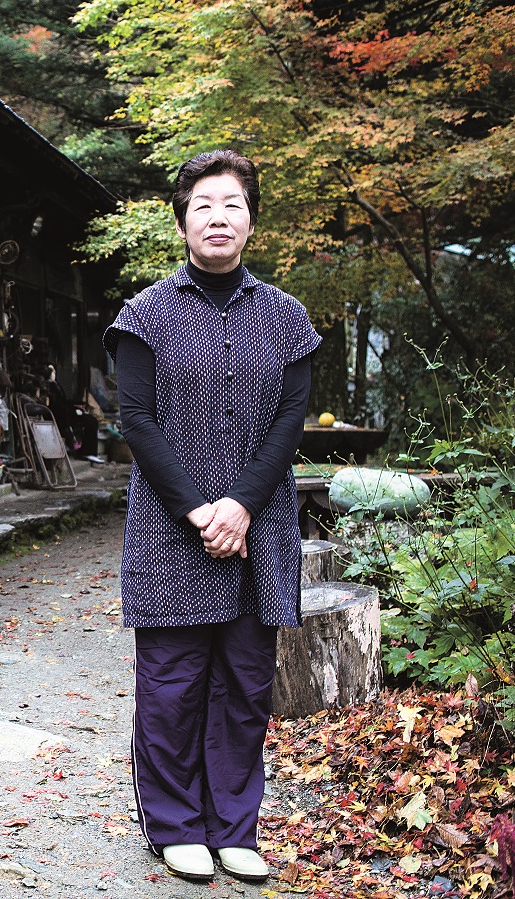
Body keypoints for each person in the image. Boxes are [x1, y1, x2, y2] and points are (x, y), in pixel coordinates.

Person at [103, 150, 320, 883]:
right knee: (170, 685)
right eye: (203, 204)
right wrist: (200, 509)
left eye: (231, 204)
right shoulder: (146, 316)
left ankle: (234, 827)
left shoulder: (287, 319)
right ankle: (173, 824)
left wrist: (241, 505)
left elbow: (290, 422)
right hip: (172, 530)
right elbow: (137, 420)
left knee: (245, 686)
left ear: (251, 220)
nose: (218, 216)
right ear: (183, 221)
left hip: (261, 528)